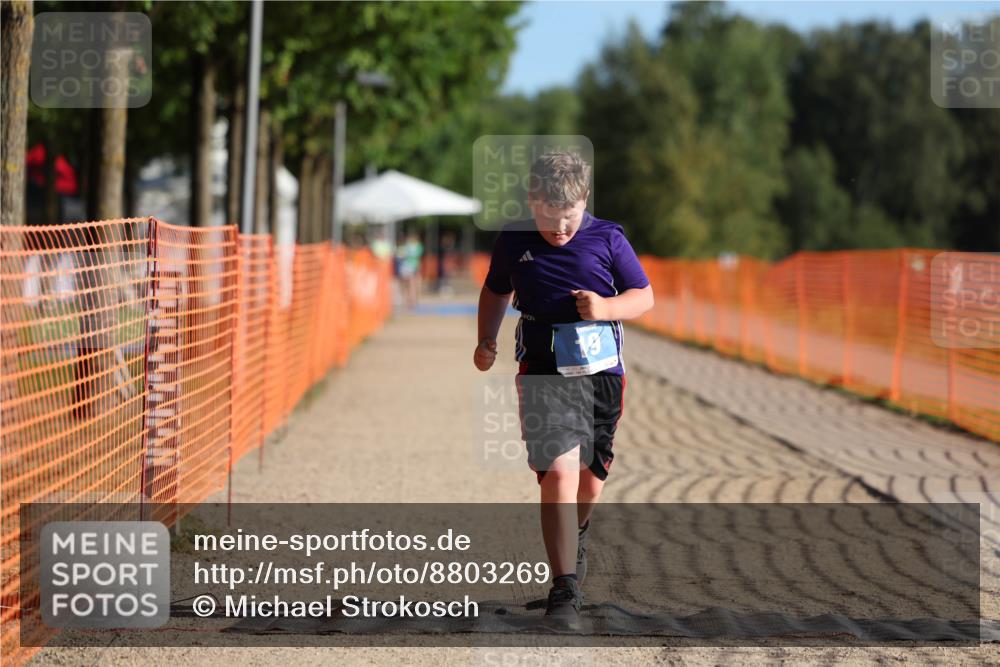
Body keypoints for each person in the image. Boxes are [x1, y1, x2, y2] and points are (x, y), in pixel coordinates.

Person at [473, 152, 653, 629]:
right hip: (542, 368)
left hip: (600, 375)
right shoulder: (513, 240)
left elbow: (645, 296)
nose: (559, 229)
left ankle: (579, 532)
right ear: (532, 202)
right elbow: (495, 291)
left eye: (569, 217)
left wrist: (607, 306)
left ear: (584, 201)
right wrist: (486, 338)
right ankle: (564, 587)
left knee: (590, 479)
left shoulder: (608, 237)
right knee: (559, 472)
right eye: (549, 218)